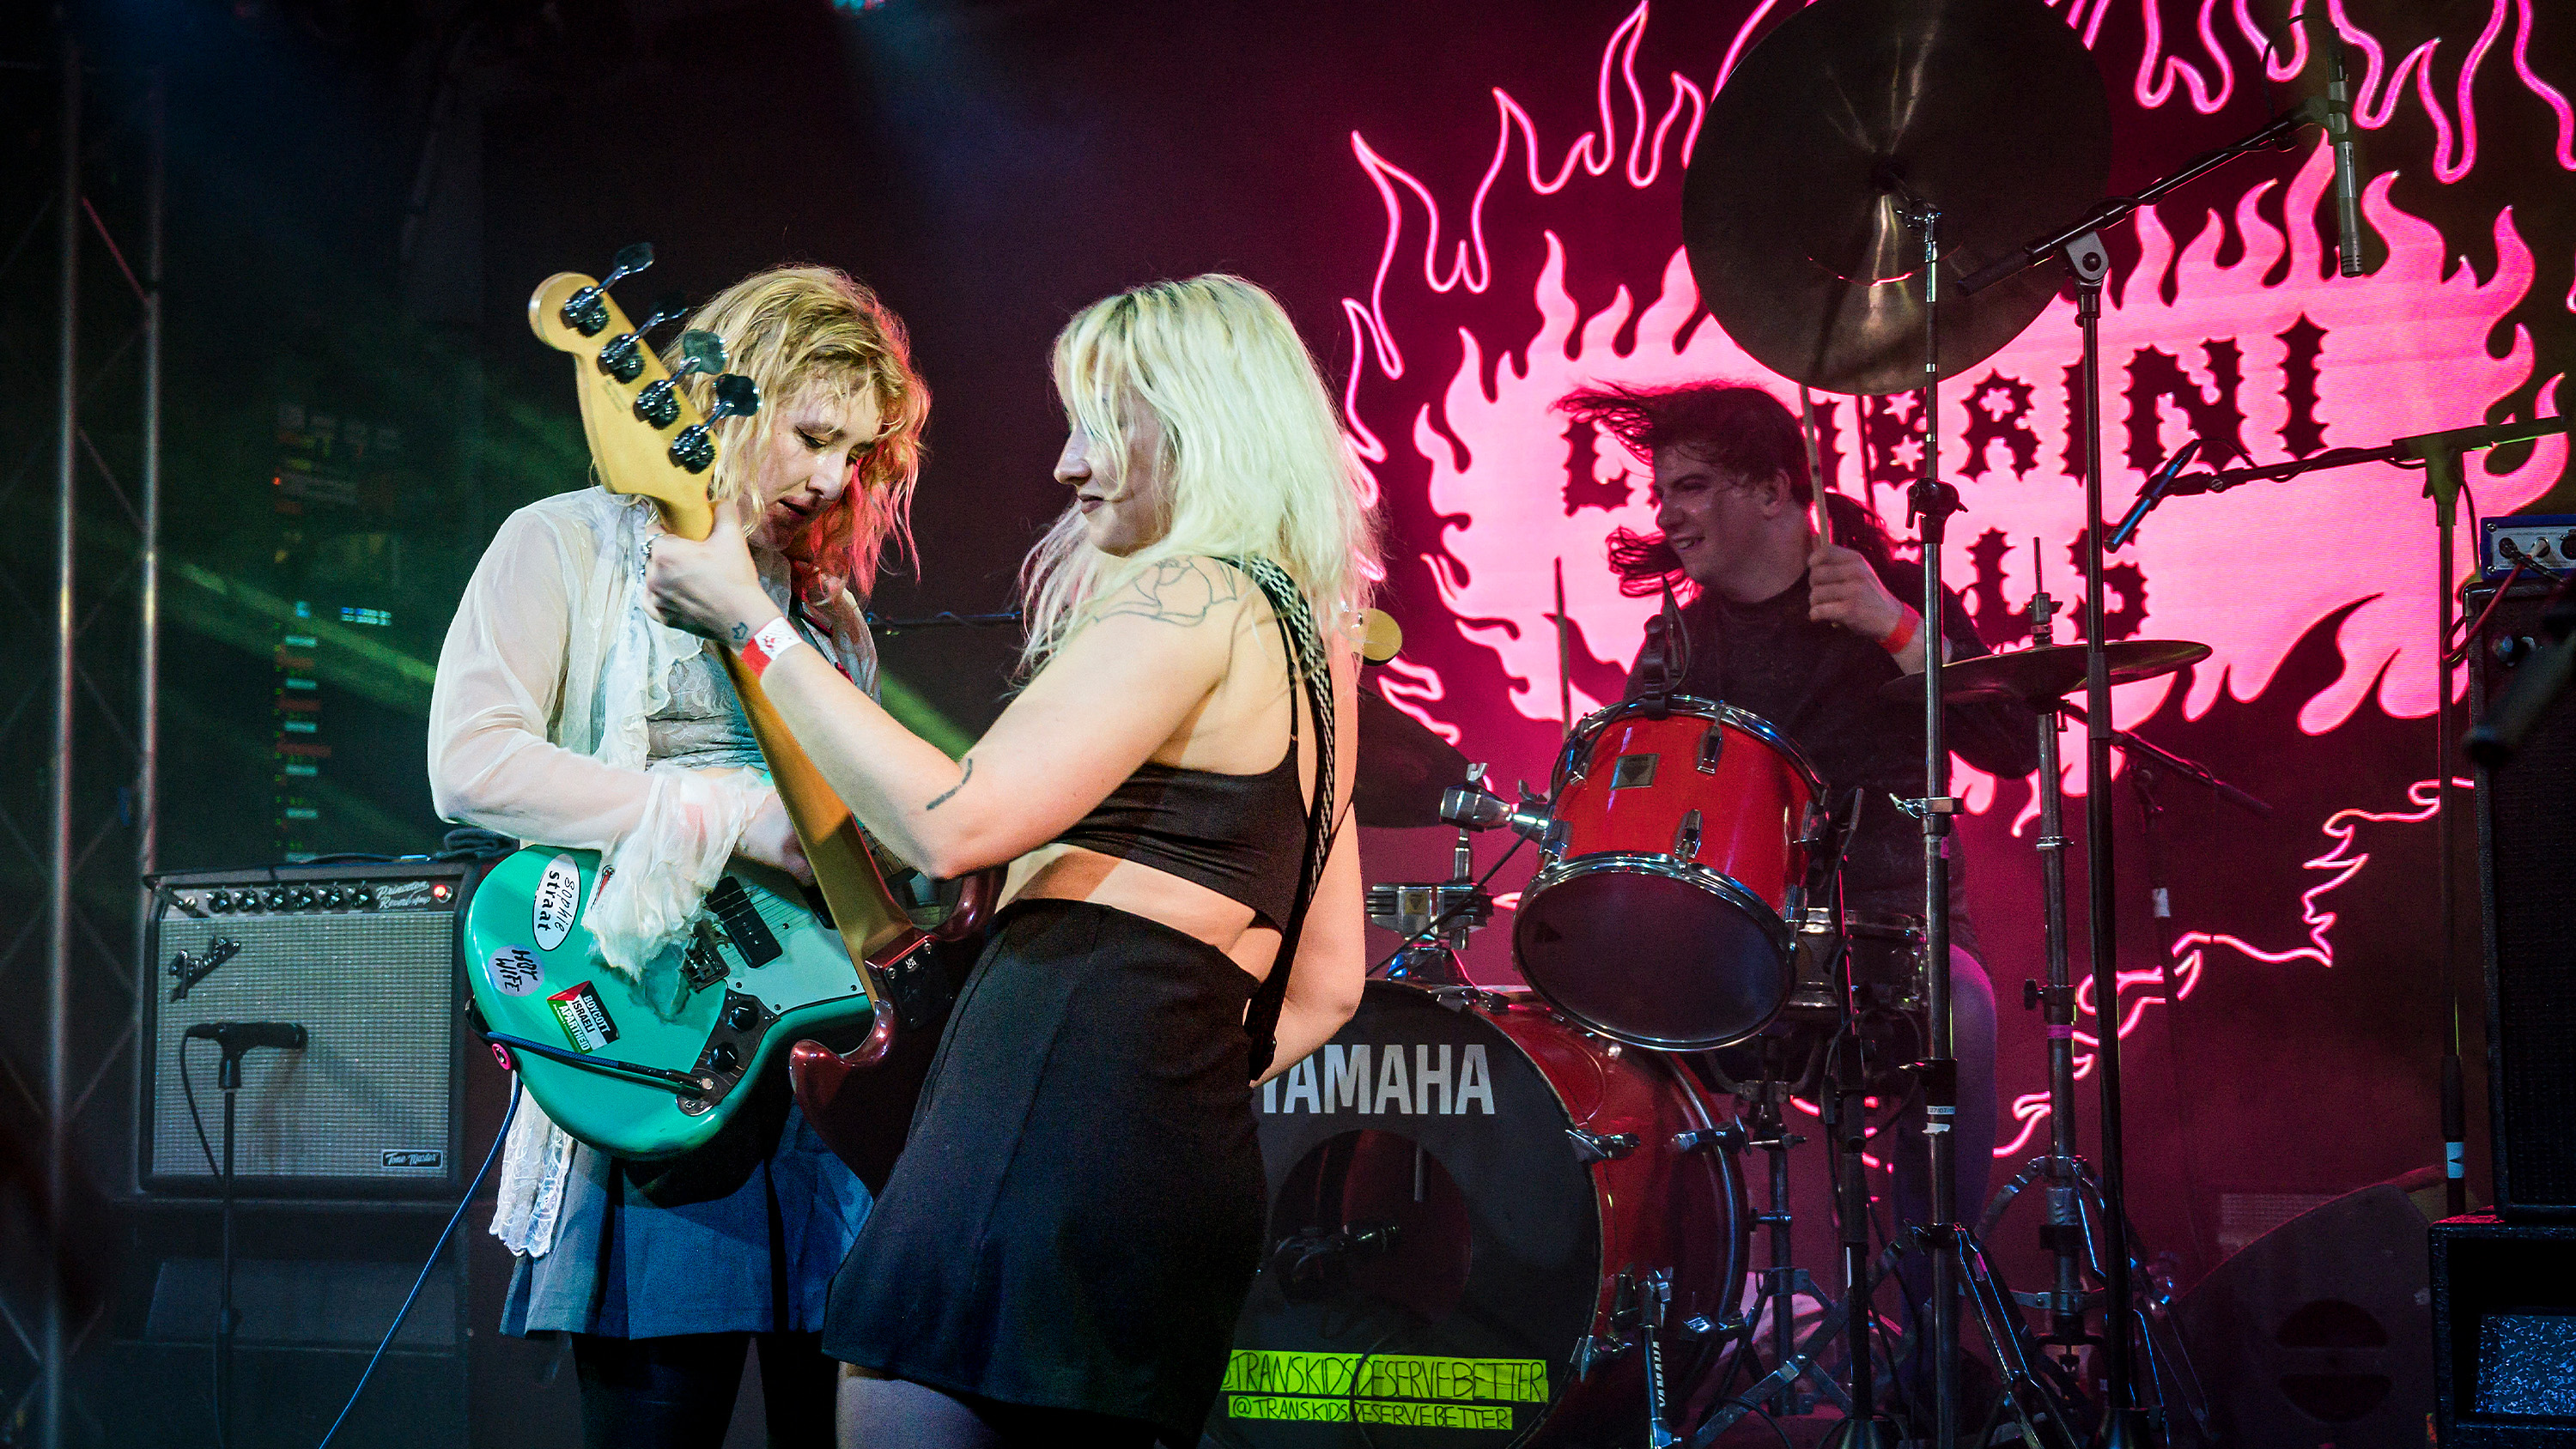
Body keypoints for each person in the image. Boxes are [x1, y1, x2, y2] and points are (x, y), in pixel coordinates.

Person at [646, 273, 1373, 1449]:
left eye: (1096, 424)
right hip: (1181, 1156)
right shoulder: (1315, 641)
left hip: (1042, 1120)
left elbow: (949, 819)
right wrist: (1145, 1088)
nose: (1068, 466)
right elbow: (1332, 977)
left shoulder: (1189, 594)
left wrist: (750, 621)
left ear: (1186, 430)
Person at [428, 265, 929, 1448]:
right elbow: (472, 766)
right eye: (811, 436)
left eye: (856, 456)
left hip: (815, 1084)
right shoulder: (564, 545)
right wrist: (728, 815)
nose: (826, 479)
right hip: (655, 1047)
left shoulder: (828, 622)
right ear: (732, 396)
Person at [1558, 380, 2040, 1416]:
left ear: (1776, 488)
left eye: (1691, 486)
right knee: (1602, 1052)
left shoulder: (1889, 589)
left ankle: (1937, 1349)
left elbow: (2012, 745)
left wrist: (1897, 627)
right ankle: (1644, 1348)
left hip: (1889, 934)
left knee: (1962, 1014)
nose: (1667, 513)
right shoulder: (1679, 644)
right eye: (1662, 490)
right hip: (1725, 948)